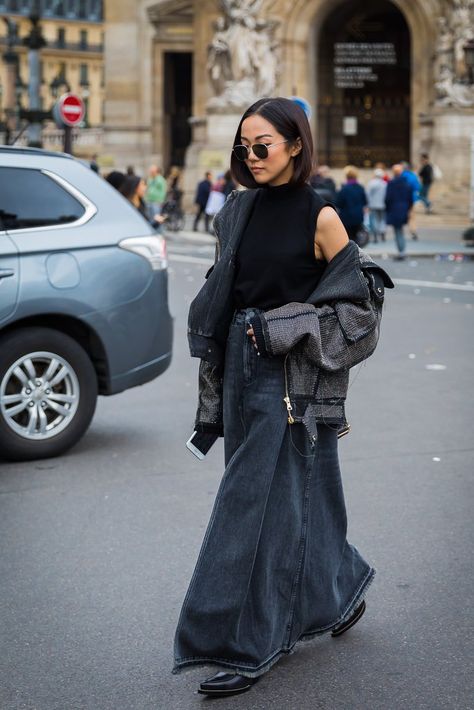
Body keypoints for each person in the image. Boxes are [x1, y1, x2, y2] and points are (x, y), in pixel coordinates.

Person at [173, 97, 393, 697]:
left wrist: (289, 326)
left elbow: (358, 312)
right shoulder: (237, 210)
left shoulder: (321, 215)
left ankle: (249, 641)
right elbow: (229, 288)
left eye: (263, 143)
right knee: (298, 494)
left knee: (255, 507)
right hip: (241, 367)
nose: (252, 155)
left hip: (290, 377)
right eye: (244, 145)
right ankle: (340, 588)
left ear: (296, 144)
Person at [385, 163, 413, 259]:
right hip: (403, 209)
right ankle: (402, 251)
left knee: (397, 231)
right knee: (400, 230)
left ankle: (401, 251)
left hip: (394, 209)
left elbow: (387, 198)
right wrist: (408, 208)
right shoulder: (407, 184)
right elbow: (410, 199)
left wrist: (388, 209)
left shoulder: (391, 184)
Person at [336, 165, 367, 243]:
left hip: (347, 217)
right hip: (358, 216)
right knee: (356, 238)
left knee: (348, 239)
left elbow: (338, 203)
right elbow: (365, 202)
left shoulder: (344, 189)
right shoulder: (360, 187)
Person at [365, 168, 387, 243]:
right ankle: (382, 233)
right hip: (382, 204)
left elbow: (367, 194)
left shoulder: (371, 183)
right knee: (382, 219)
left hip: (373, 204)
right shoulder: (384, 184)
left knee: (373, 219)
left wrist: (367, 204)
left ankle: (375, 235)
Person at [401, 161, 421, 240]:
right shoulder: (413, 176)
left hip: (403, 200)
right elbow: (417, 188)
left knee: (402, 216)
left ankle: (401, 232)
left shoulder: (401, 176)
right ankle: (413, 231)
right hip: (412, 199)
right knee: (412, 217)